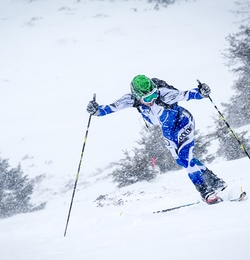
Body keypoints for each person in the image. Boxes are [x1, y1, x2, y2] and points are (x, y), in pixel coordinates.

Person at [86, 75, 227, 204]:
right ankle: (215, 182)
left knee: (185, 159)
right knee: (181, 161)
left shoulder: (165, 95)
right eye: (147, 98)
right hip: (168, 131)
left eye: (154, 94)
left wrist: (202, 92)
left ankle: (206, 191)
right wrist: (95, 110)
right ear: (137, 96)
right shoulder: (130, 99)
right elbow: (109, 108)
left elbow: (188, 95)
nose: (152, 100)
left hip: (183, 123)